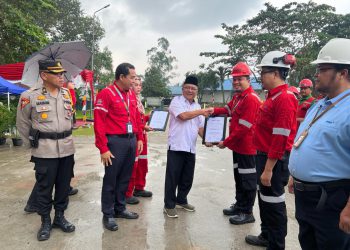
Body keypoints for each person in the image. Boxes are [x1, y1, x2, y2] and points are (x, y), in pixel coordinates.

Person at [288, 38, 350, 250]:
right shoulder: (319, 105)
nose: (316, 73)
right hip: (305, 197)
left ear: (343, 73)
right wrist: (294, 174)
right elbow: (307, 138)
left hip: (332, 200)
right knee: (308, 244)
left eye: (323, 68)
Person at [16, 60, 76, 241]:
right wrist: (34, 144)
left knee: (64, 187)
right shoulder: (29, 96)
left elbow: (70, 119)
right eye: (57, 73)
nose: (61, 77)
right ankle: (45, 222)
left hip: (66, 148)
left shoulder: (66, 93)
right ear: (44, 75)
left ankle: (59, 217)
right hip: (44, 151)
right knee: (44, 188)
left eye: (62, 73)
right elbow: (22, 123)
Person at [245, 51, 298, 249]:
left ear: (275, 73)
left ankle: (276, 244)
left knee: (274, 204)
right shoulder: (273, 97)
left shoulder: (284, 98)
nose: (261, 78)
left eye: (263, 73)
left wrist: (268, 169)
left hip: (273, 160)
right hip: (264, 157)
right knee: (265, 200)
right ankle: (266, 235)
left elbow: (279, 137)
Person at [208, 62, 261, 225]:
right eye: (234, 79)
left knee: (248, 180)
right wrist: (213, 111)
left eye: (240, 79)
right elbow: (227, 110)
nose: (236, 82)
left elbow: (244, 128)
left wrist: (226, 142)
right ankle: (239, 205)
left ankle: (247, 212)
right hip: (238, 147)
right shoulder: (238, 97)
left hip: (247, 148)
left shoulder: (251, 99)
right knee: (239, 178)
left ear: (248, 79)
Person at [94, 63, 143, 231]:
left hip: (130, 140)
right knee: (111, 179)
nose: (134, 81)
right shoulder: (105, 94)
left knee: (124, 177)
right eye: (131, 77)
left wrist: (139, 137)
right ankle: (108, 214)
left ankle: (120, 208)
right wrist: (103, 148)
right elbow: (99, 123)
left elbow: (135, 117)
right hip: (114, 142)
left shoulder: (130, 94)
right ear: (121, 77)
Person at [163, 75, 210, 218]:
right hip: (177, 146)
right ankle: (169, 205)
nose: (190, 90)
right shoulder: (176, 101)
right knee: (173, 177)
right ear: (182, 88)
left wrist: (208, 139)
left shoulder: (196, 106)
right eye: (187, 87)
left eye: (193, 88)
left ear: (197, 90)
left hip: (190, 147)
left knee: (187, 178)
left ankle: (181, 200)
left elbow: (200, 127)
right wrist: (202, 111)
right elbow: (183, 116)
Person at [125, 76, 153, 205]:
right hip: (135, 135)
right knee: (133, 165)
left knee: (142, 163)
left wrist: (149, 117)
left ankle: (139, 187)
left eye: (139, 85)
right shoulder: (128, 99)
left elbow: (140, 118)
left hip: (142, 136)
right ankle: (128, 192)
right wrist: (143, 126)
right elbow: (132, 121)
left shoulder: (138, 100)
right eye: (135, 84)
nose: (138, 87)